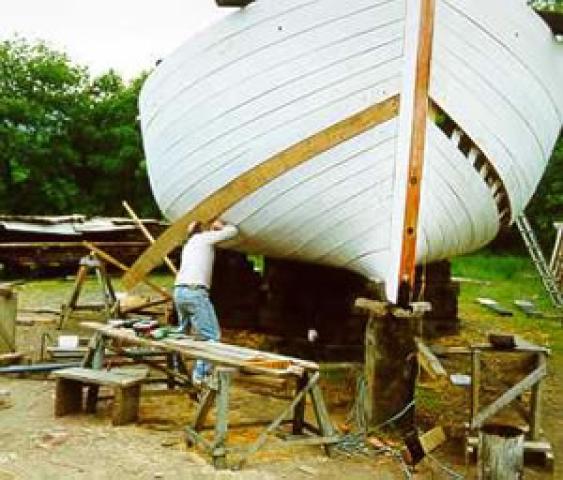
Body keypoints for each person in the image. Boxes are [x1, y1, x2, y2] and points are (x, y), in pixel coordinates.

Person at [174, 219, 239, 386]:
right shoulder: (204, 239)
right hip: (195, 293)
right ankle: (200, 376)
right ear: (202, 231)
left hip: (179, 291)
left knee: (182, 333)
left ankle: (175, 369)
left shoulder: (189, 245)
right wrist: (221, 227)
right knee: (212, 337)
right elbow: (233, 231)